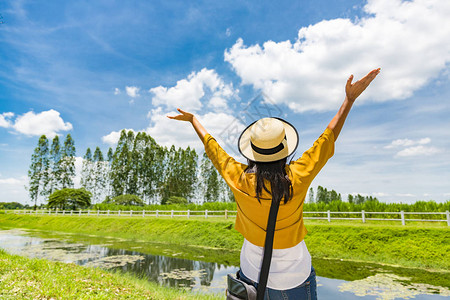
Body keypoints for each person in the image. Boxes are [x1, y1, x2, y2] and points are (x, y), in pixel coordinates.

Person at [168, 68, 380, 299]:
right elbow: (328, 137)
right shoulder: (297, 176)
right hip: (295, 276)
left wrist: (193, 120)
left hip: (251, 274)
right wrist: (348, 100)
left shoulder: (239, 178)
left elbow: (213, 149)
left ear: (251, 152)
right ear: (285, 149)